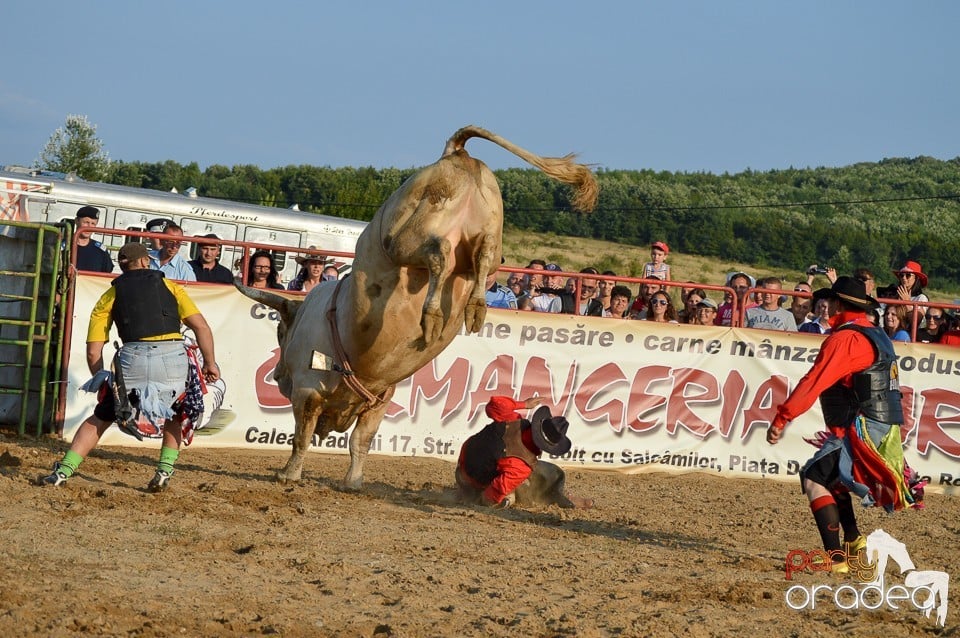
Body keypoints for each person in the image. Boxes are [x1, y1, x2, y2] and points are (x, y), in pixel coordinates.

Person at [766, 276, 924, 574]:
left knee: (814, 478)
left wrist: (783, 416)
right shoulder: (876, 334)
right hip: (879, 425)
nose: (826, 307)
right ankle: (853, 541)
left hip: (860, 425)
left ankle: (836, 558)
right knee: (834, 479)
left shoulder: (844, 339)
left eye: (831, 302)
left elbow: (814, 381)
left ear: (839, 304)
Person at [37, 242, 220, 491]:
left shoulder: (110, 296)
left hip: (132, 358)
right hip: (172, 356)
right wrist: (210, 363)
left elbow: (93, 349)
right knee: (176, 413)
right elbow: (201, 327)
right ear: (146, 262)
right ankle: (164, 471)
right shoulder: (169, 286)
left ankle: (63, 471)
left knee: (102, 415)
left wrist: (102, 378)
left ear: (122, 268)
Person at [455, 396, 592, 509]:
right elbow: (495, 491)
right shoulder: (521, 466)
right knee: (545, 477)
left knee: (520, 475)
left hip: (463, 462)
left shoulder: (514, 420)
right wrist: (482, 501)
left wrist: (524, 404)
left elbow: (495, 404)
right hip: (472, 483)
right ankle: (559, 497)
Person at [73, 206, 114, 273]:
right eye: (86, 222)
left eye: (93, 223)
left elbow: (107, 272)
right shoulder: (64, 246)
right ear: (76, 221)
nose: (89, 227)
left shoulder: (100, 250)